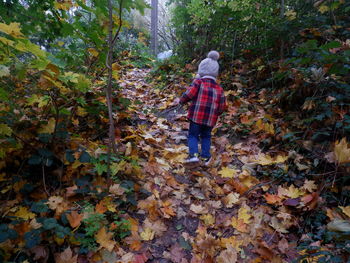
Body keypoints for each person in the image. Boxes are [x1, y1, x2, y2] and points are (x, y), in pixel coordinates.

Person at [175, 51, 226, 166]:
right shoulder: (219, 88)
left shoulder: (198, 82)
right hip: (210, 119)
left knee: (193, 135)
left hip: (196, 116)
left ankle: (193, 155)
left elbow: (189, 94)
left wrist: (181, 101)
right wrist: (217, 112)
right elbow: (222, 106)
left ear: (201, 70)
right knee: (206, 136)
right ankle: (206, 157)